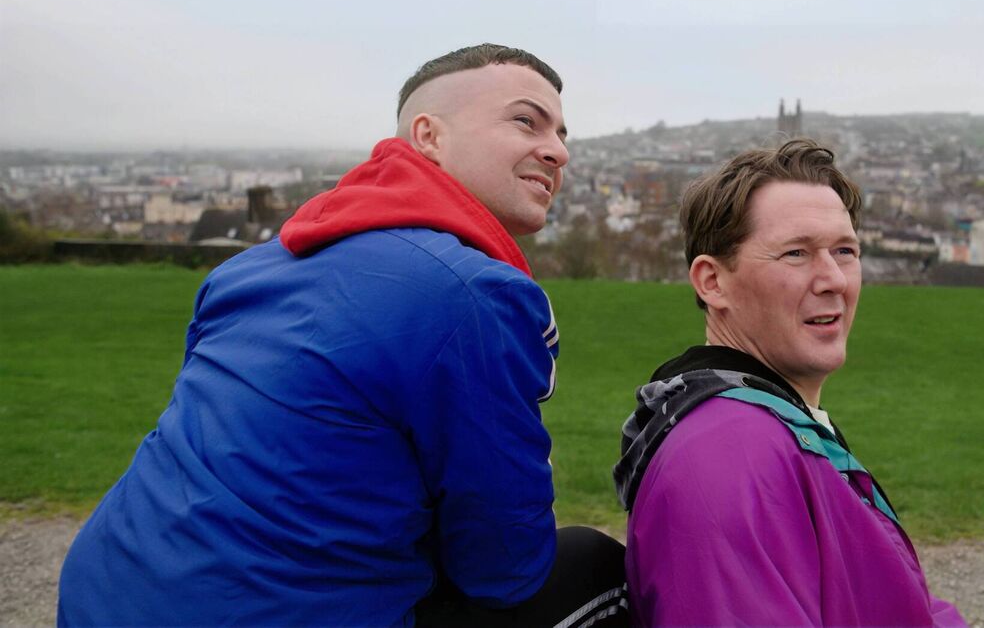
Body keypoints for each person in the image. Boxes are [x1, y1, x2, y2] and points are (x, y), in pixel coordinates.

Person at [59, 44, 627, 627]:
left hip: (101, 595)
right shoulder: (472, 294)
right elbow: (504, 566)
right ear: (428, 136)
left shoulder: (251, 266)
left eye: (562, 133)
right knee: (596, 566)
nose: (557, 150)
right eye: (525, 120)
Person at [613, 139, 966, 626]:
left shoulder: (769, 422)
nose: (834, 280)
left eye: (844, 250)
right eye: (796, 253)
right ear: (713, 282)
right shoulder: (727, 454)